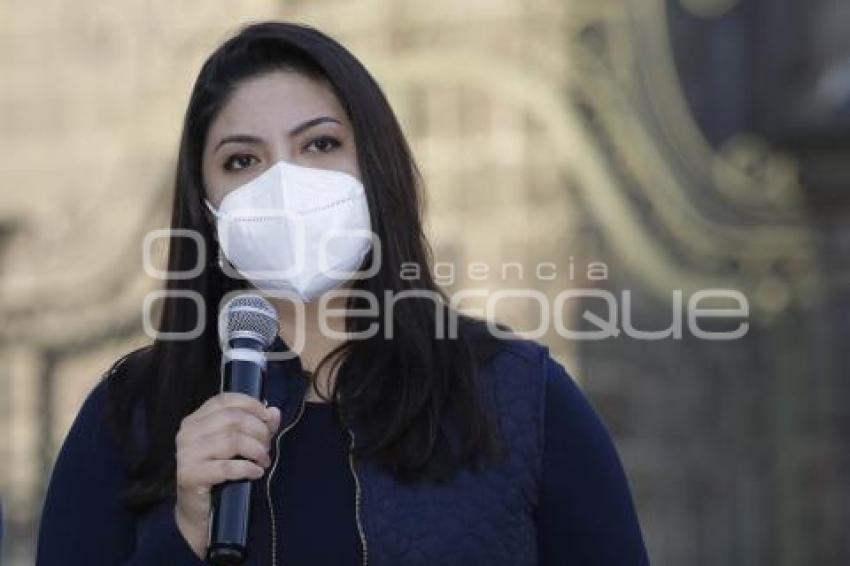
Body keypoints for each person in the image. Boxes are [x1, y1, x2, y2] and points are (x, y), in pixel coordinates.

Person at [35, 21, 649, 565]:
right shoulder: (129, 418)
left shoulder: (518, 398)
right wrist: (186, 530)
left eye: (319, 145)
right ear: (208, 207)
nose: (283, 182)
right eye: (243, 161)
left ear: (374, 171)